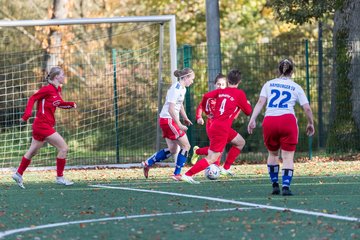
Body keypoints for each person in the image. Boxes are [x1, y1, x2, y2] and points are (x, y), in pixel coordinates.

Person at [247, 58, 315, 196]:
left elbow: (261, 102)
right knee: (288, 157)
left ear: (279, 70)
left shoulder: (269, 84)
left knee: (272, 154)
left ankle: (274, 185)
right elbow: (307, 108)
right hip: (287, 121)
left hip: (270, 121)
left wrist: (252, 119)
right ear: (292, 71)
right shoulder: (296, 87)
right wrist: (310, 123)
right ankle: (285, 186)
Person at [182, 69, 252, 184]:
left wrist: (206, 111)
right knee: (212, 158)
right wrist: (245, 104)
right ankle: (187, 174)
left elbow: (205, 97)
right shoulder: (239, 94)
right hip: (221, 129)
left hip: (219, 126)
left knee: (240, 142)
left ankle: (225, 169)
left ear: (228, 80)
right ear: (239, 81)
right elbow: (248, 112)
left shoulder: (221, 92)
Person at [12, 66, 77, 189]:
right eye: (62, 75)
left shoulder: (57, 90)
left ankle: (18, 174)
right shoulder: (47, 89)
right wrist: (26, 115)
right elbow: (32, 98)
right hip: (42, 125)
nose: (64, 77)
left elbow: (59, 104)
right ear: (56, 76)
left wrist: (70, 104)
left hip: (41, 125)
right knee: (63, 148)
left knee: (32, 152)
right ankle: (59, 178)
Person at [141, 68, 195, 180]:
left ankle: (147, 163)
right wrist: (179, 124)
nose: (192, 81)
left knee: (173, 150)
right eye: (192, 79)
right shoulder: (175, 89)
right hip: (168, 120)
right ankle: (177, 174)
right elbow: (171, 109)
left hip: (166, 120)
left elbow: (179, 105)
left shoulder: (182, 89)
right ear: (185, 77)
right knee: (186, 146)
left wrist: (185, 117)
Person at [190, 73, 239, 176]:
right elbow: (200, 107)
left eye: (222, 84)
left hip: (223, 126)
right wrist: (199, 117)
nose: (219, 86)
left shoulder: (228, 97)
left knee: (218, 148)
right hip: (212, 125)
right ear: (215, 85)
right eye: (218, 84)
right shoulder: (211, 96)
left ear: (226, 85)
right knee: (217, 148)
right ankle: (215, 167)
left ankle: (198, 151)